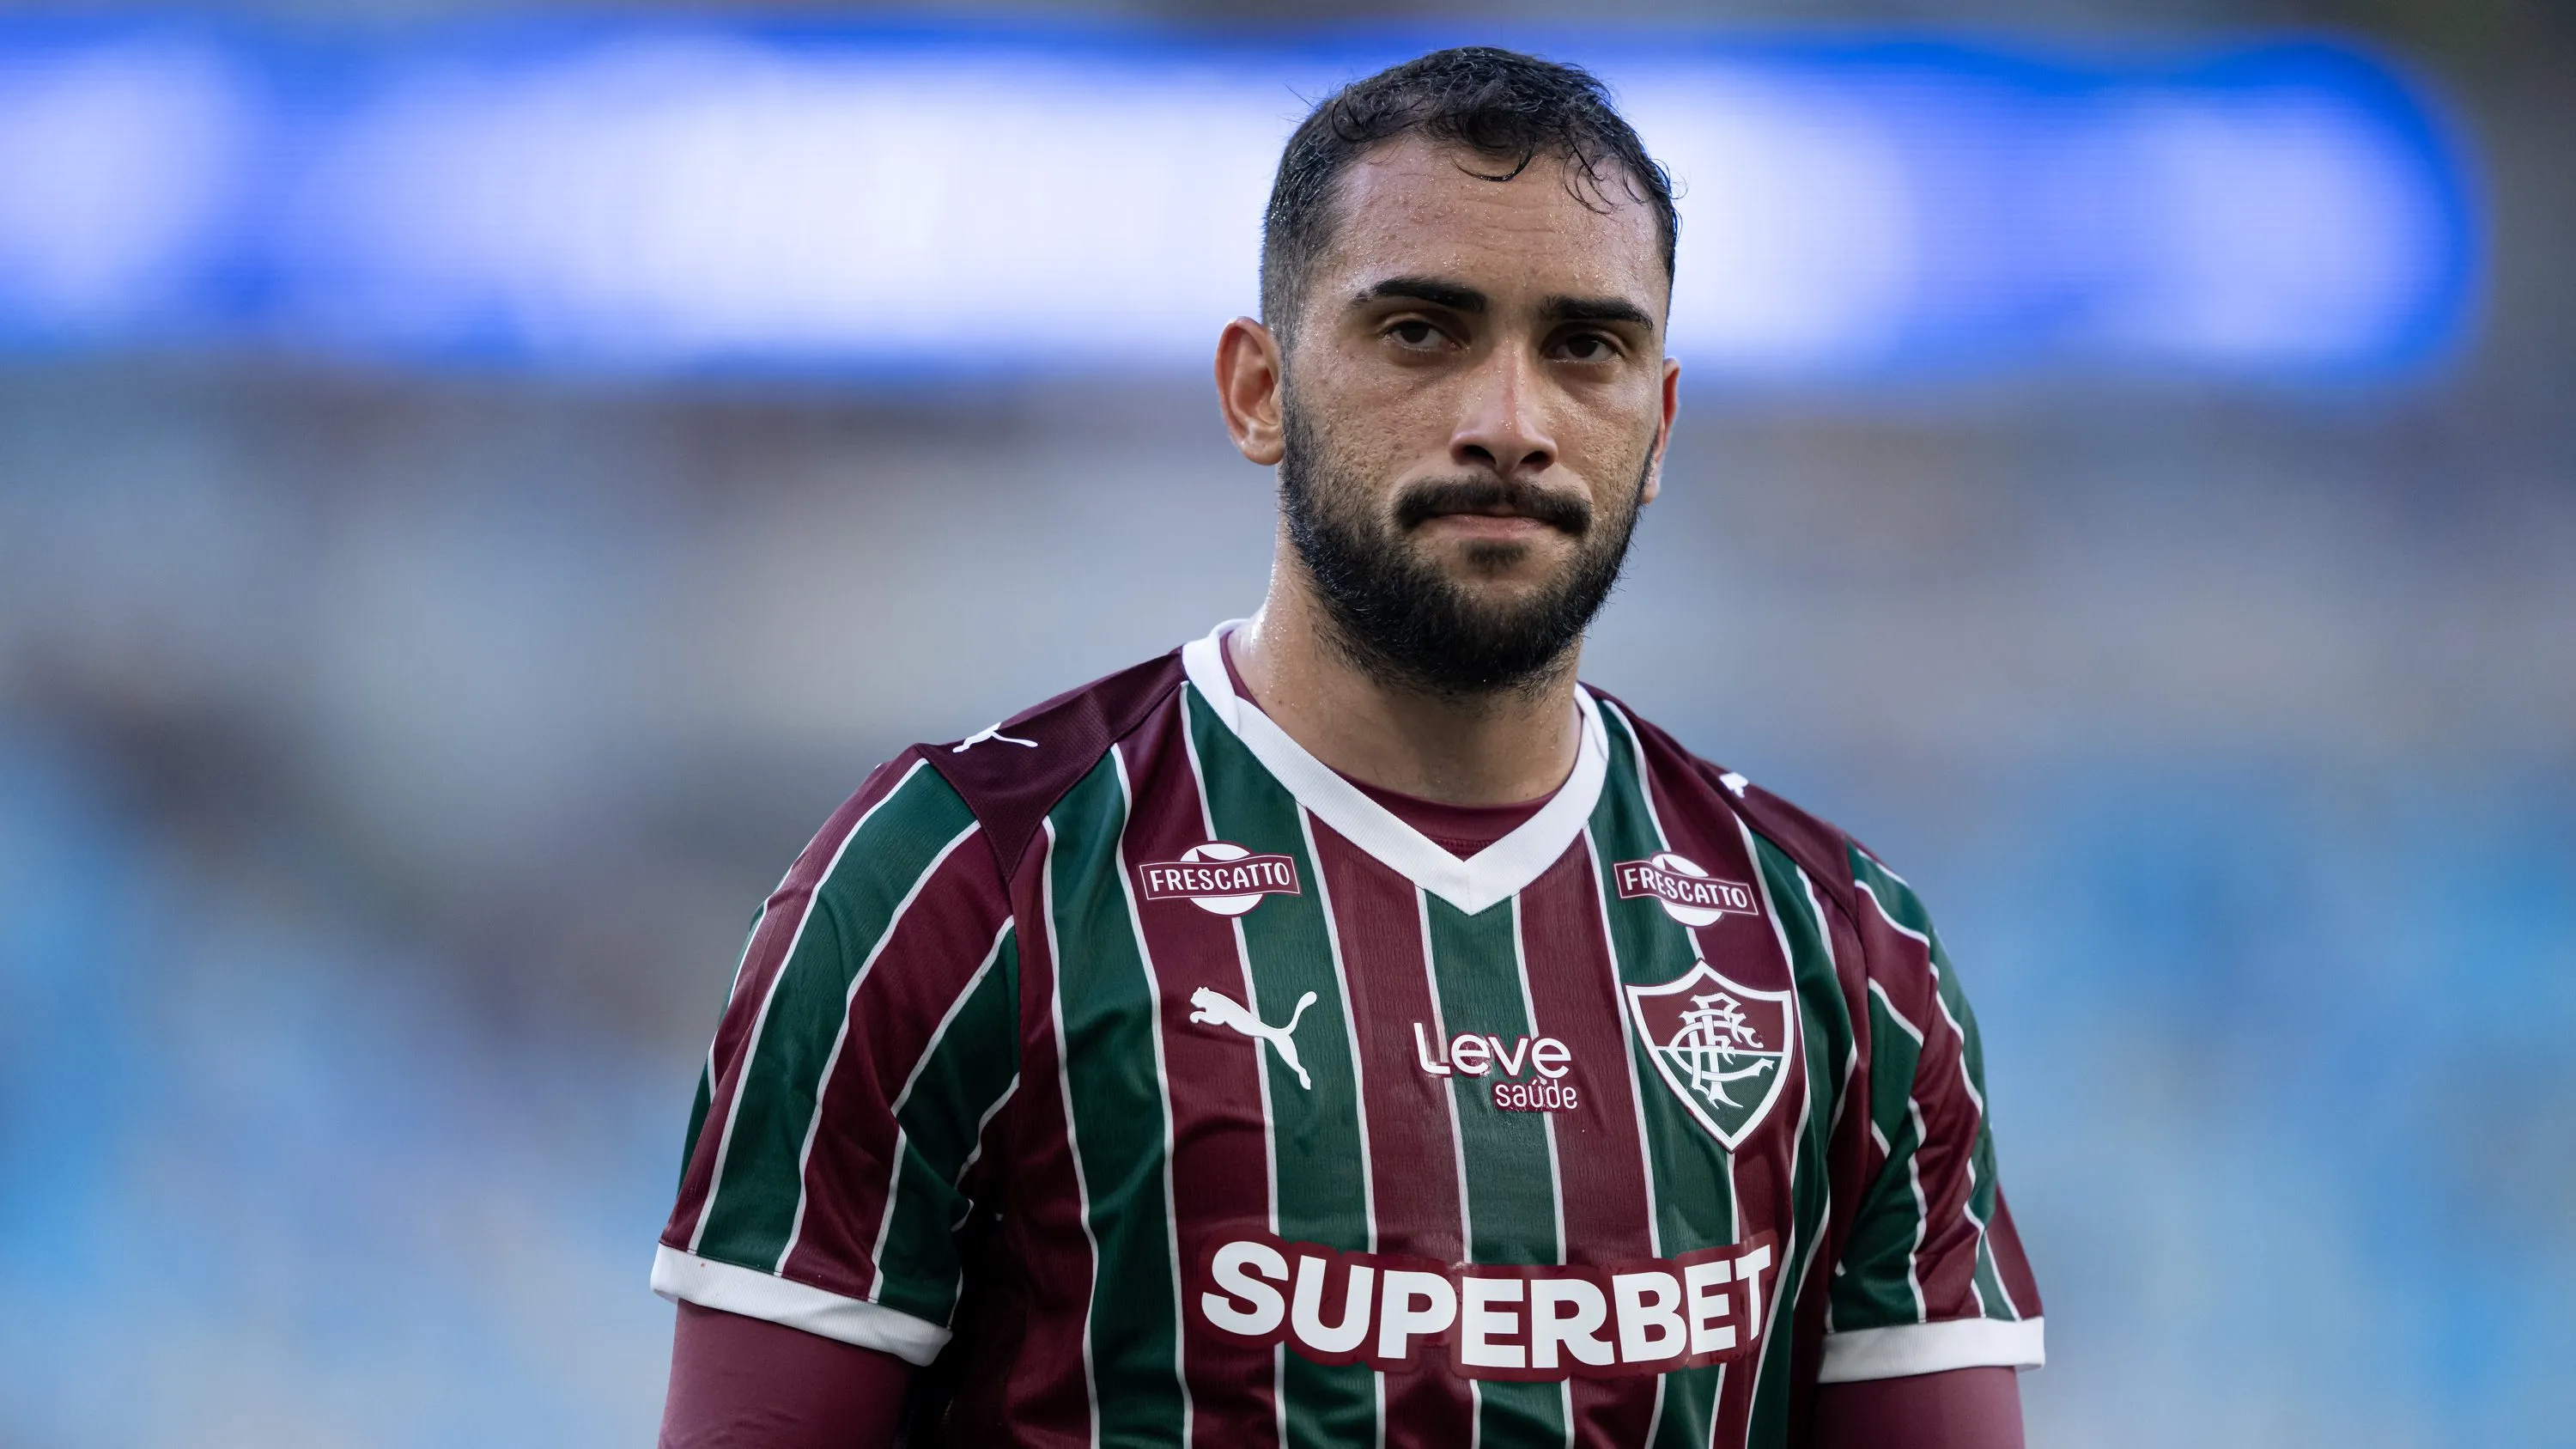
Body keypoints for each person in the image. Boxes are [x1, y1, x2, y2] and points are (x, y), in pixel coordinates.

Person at [653, 46, 2041, 1449]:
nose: (1511, 424)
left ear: (1660, 421)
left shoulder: (1839, 947)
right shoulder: (962, 884)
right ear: (1259, 389)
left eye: (1585, 348)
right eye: (1422, 332)